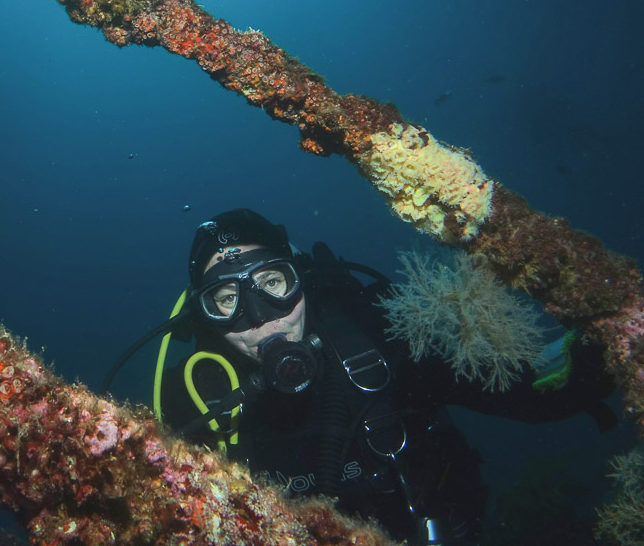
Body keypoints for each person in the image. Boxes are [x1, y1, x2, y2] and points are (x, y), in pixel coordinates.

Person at [150, 208, 616, 545]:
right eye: (227, 300)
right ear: (205, 317)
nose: (262, 320)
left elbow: (529, 397)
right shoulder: (191, 402)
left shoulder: (383, 338)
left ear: (303, 281)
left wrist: (601, 356)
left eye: (273, 285)